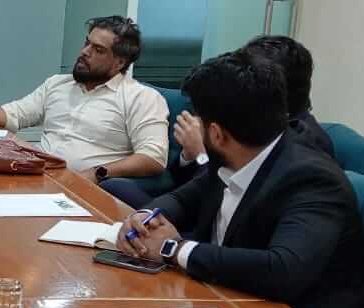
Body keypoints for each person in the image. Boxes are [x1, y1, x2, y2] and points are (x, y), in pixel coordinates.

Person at [118, 52, 364, 308]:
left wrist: (173, 249)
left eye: (199, 119)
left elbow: (283, 269)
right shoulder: (237, 155)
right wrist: (144, 219)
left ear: (216, 134)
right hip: (224, 305)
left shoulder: (313, 180)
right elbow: (182, 199)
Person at [104, 35, 334, 209]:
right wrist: (189, 155)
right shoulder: (242, 117)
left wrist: (201, 154)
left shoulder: (304, 143)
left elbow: (232, 193)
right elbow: (184, 184)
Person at [0, 15, 168, 182]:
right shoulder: (58, 84)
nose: (85, 52)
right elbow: (15, 114)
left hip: (87, 188)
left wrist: (96, 173)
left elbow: (153, 158)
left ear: (120, 62)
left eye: (98, 50)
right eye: (86, 43)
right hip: (37, 177)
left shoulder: (142, 98)